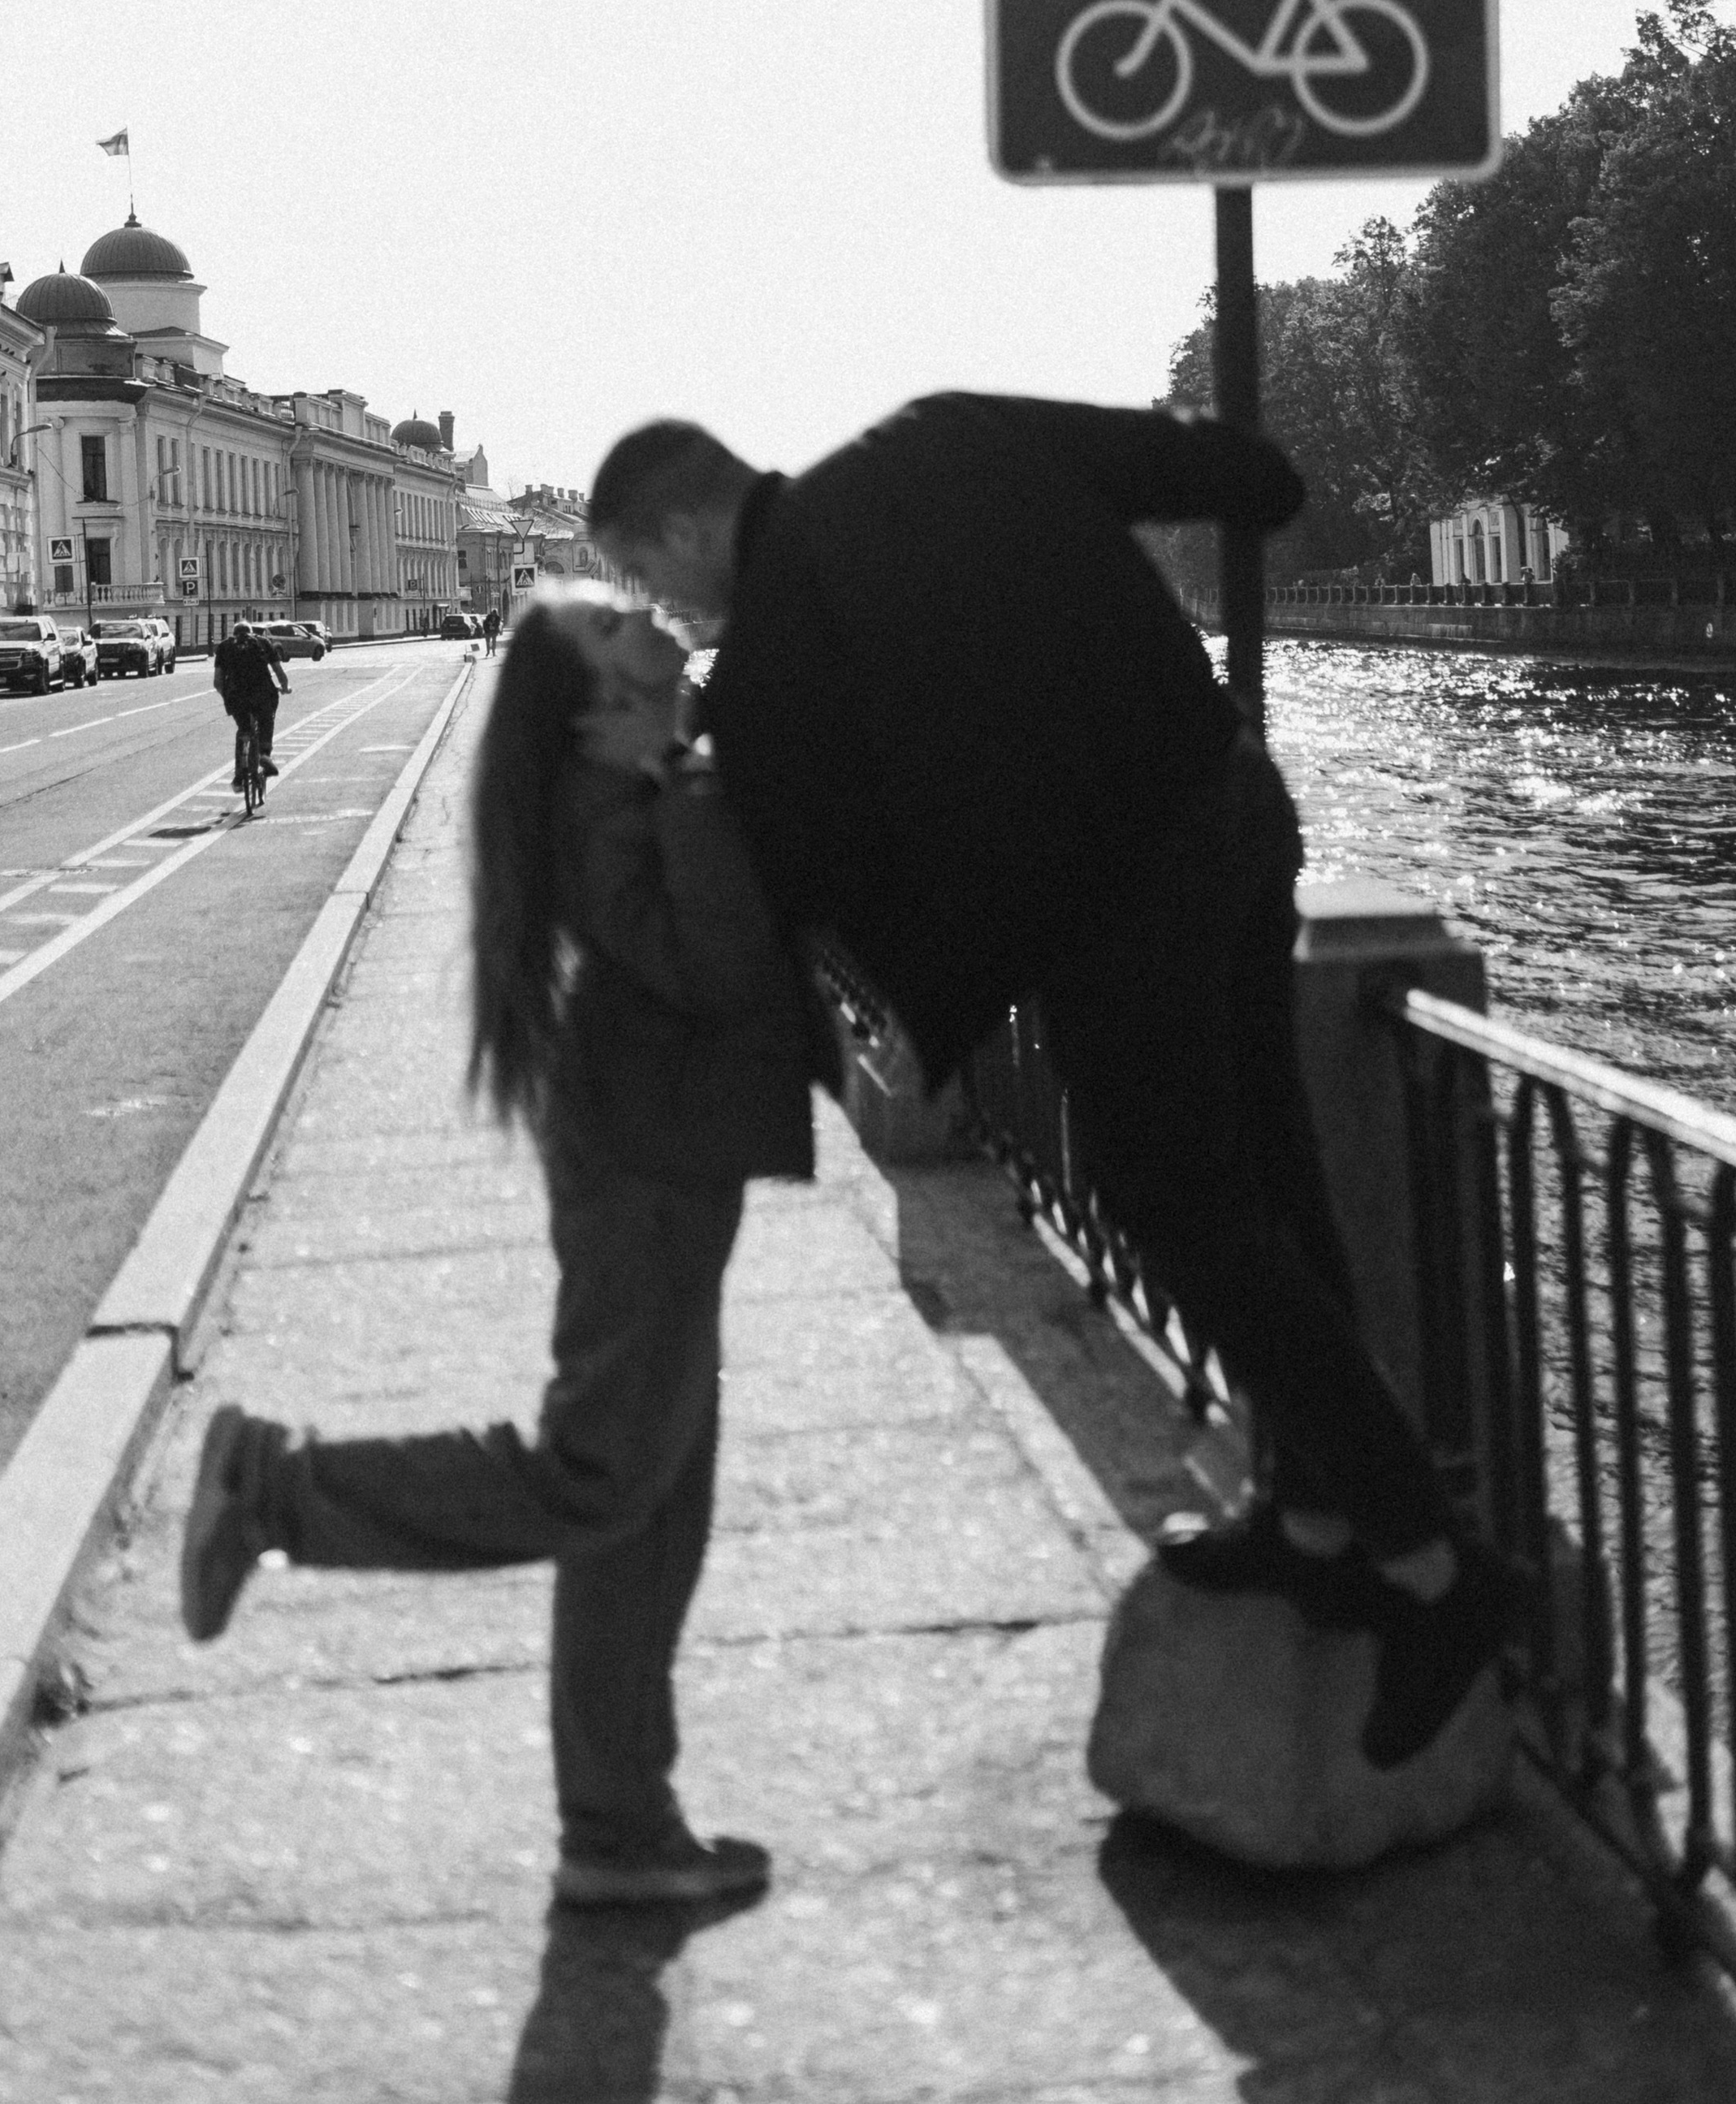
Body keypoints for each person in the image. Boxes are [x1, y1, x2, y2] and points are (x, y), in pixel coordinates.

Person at [586, 396, 1517, 1773]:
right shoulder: (942, 437)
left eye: (645, 572)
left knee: (1185, 1210)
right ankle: (1318, 1516)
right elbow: (1192, 465)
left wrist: (897, 1030)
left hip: (1110, 909)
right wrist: (1253, 484)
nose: (661, 604)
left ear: (683, 523)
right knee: (1269, 1175)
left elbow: (813, 890)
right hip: (1233, 811)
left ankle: (1436, 1570)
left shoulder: (773, 667)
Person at [179, 585, 829, 1906]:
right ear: (595, 709)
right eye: (615, 626)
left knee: (654, 1502)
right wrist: (715, 789)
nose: (645, 619)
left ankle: (619, 1821)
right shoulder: (614, 807)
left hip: (670, 1160)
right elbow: (711, 963)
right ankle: (277, 1489)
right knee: (600, 1477)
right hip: (644, 1169)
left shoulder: (637, 776)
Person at [212, 617, 289, 789]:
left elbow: (217, 682)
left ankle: (239, 778)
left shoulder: (225, 647)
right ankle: (264, 754)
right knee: (266, 719)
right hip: (262, 693)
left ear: (234, 635)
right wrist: (285, 687)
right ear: (251, 633)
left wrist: (227, 696)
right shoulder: (262, 643)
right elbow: (279, 672)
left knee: (244, 730)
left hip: (236, 696)